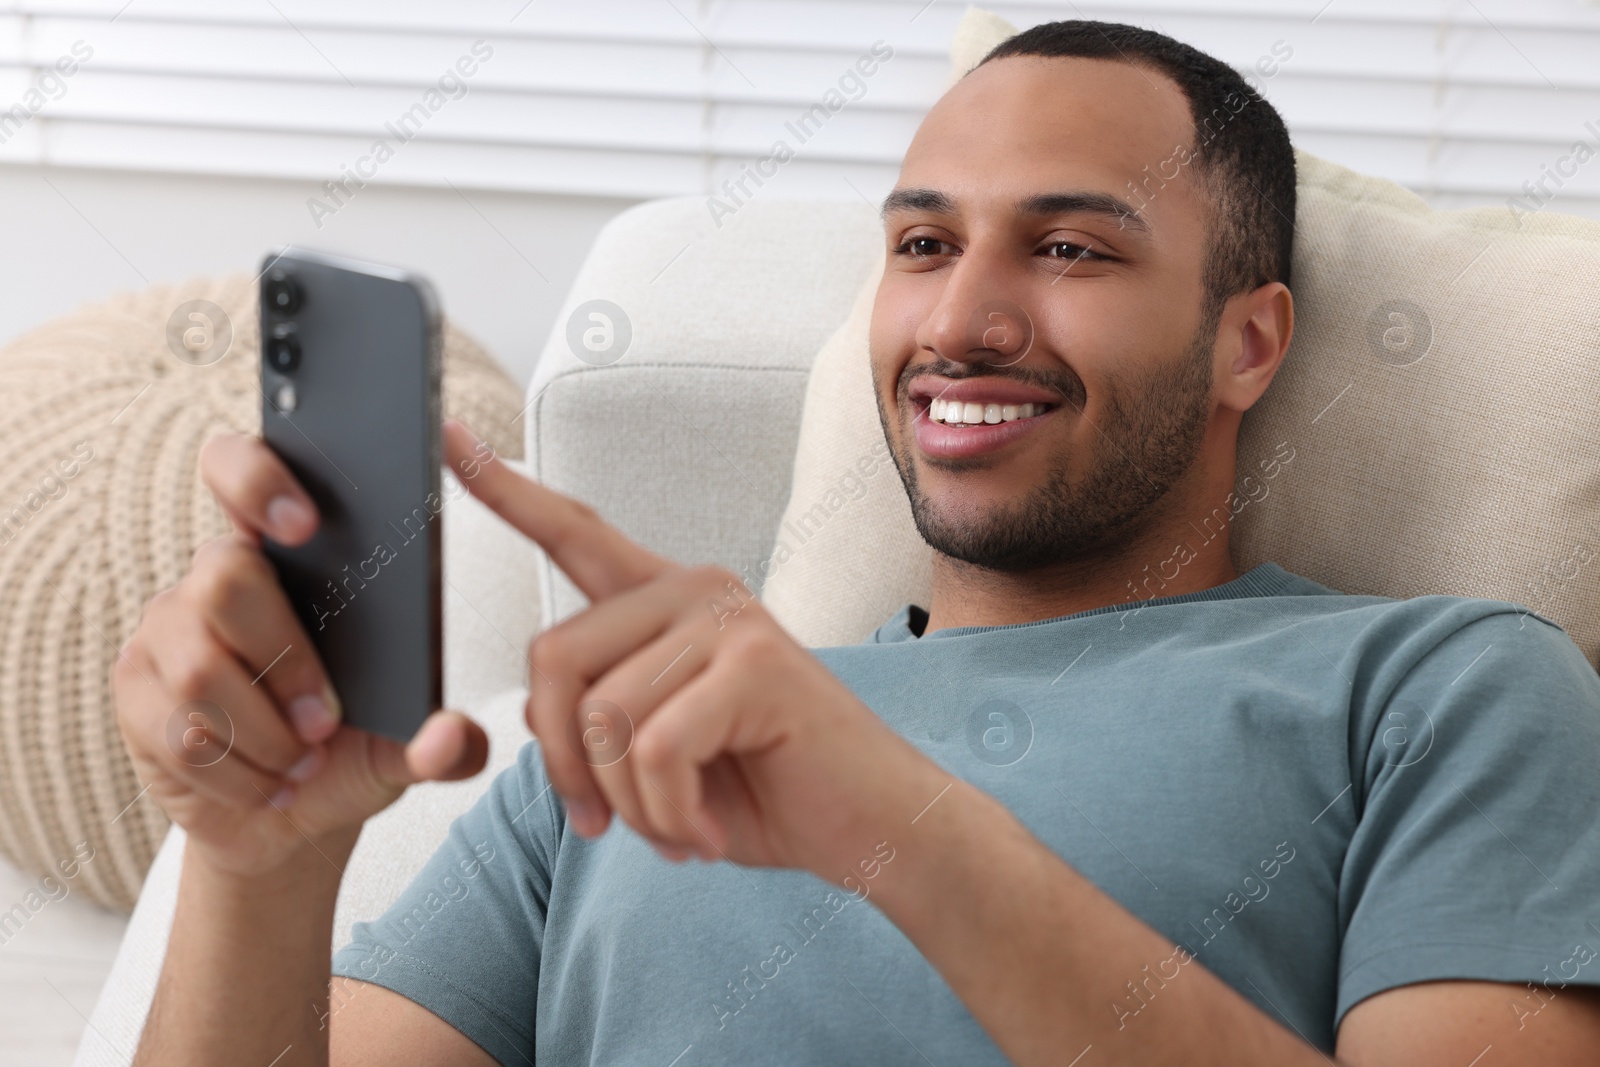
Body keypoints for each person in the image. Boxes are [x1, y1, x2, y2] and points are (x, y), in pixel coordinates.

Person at [114, 19, 1600, 1067]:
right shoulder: (617, 749)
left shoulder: (1439, 688)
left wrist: (899, 826)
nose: (959, 322)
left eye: (1072, 247)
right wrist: (258, 866)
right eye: (923, 245)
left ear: (1248, 342)